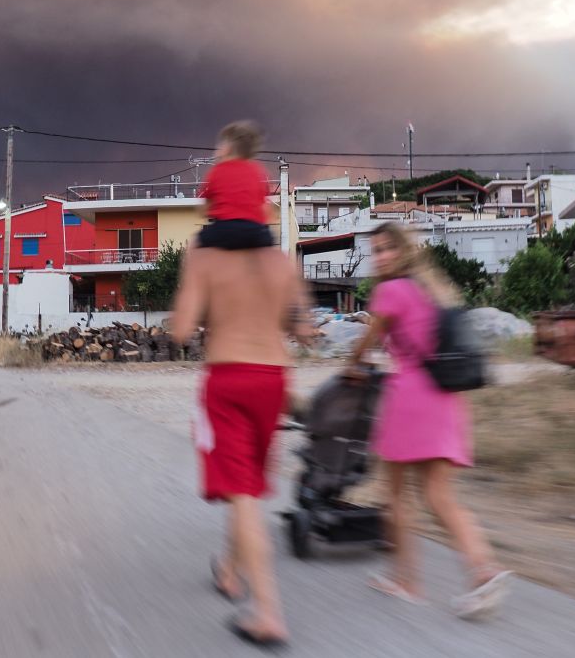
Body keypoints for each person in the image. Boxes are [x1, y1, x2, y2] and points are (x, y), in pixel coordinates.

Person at [348, 221, 511, 619]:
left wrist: (351, 365)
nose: (382, 257)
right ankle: (483, 568)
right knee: (439, 496)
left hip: (410, 401)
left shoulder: (389, 292)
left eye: (387, 249)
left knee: (397, 495)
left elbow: (365, 344)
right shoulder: (434, 289)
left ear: (404, 250)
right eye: (377, 250)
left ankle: (408, 581)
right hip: (447, 400)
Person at [171, 243, 312, 647]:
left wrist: (204, 297)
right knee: (247, 483)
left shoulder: (205, 256)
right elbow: (302, 330)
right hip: (273, 379)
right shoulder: (280, 260)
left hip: (229, 378)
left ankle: (268, 612)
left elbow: (181, 331)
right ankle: (230, 571)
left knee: (241, 489)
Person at [195, 121, 274, 250]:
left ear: (227, 149)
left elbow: (205, 208)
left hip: (225, 230)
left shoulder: (216, 171)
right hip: (253, 232)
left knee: (195, 245)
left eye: (220, 144)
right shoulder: (258, 171)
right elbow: (264, 207)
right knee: (269, 241)